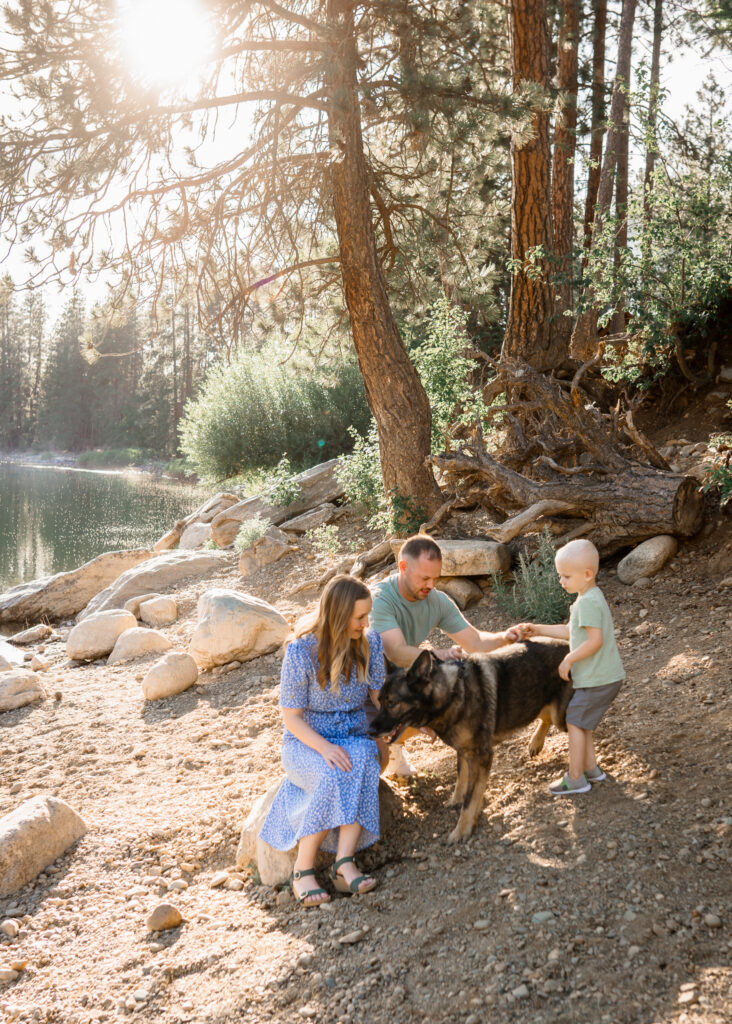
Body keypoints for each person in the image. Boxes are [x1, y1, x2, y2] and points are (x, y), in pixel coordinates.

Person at [259, 575, 385, 906]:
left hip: (352, 734)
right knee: (331, 772)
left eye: (367, 616)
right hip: (306, 742)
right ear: (339, 615)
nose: (365, 624)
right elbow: (292, 718)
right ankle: (303, 870)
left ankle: (344, 864)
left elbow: (379, 696)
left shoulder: (370, 642)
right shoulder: (301, 651)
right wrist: (325, 748)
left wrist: (411, 719)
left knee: (364, 761)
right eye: (359, 617)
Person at [369, 533, 520, 776]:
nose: (431, 585)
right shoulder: (380, 599)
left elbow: (476, 641)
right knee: (377, 746)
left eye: (435, 578)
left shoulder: (436, 600)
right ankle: (393, 746)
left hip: (396, 680)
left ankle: (399, 741)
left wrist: (507, 637)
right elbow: (394, 652)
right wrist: (437, 655)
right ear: (403, 567)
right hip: (363, 684)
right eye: (425, 577)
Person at [517, 538, 625, 796]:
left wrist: (569, 659)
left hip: (597, 677)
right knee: (583, 723)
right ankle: (591, 770)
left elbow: (595, 641)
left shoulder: (587, 602)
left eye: (566, 576)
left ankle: (575, 778)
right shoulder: (589, 596)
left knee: (575, 722)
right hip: (602, 676)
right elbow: (570, 631)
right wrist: (538, 629)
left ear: (587, 574)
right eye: (560, 575)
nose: (561, 581)